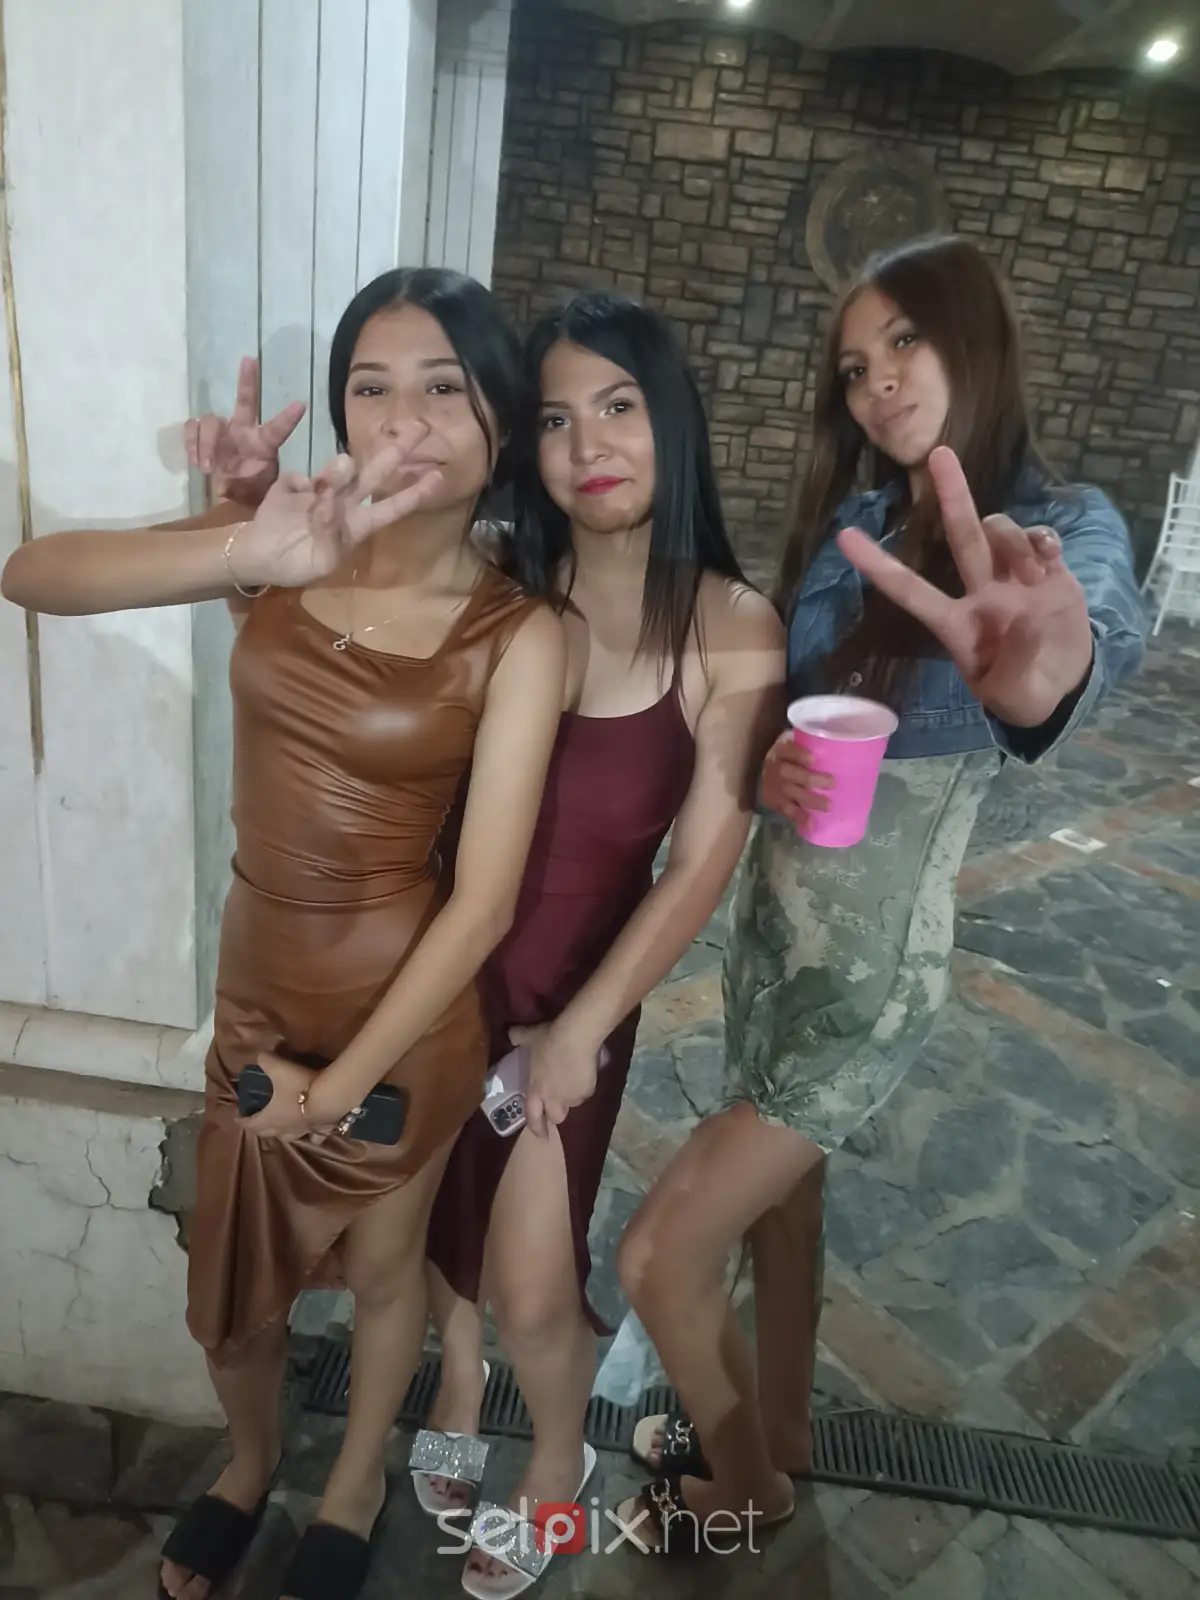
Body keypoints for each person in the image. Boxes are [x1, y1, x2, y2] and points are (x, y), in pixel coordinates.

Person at [1, 267, 566, 1600]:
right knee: (234, 1286)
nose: (404, 418)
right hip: (257, 991)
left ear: (498, 422)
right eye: (372, 387)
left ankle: (355, 1481)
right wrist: (243, 549)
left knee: (383, 1270)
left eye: (444, 387)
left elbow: (482, 902)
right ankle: (250, 1462)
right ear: (341, 414)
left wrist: (344, 1082)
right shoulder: (289, 540)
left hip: (401, 1020)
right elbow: (34, 575)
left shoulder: (521, 633)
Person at [613, 234, 1146, 1553]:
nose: (878, 383)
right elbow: (785, 727)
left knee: (659, 1253)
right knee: (782, 1203)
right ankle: (781, 1431)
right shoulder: (851, 535)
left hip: (867, 982)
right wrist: (769, 764)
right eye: (854, 366)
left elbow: (1081, 643)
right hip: (769, 948)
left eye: (905, 340)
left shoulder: (1058, 530)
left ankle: (744, 1488)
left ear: (974, 339)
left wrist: (1049, 678)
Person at [412, 292, 784, 1596]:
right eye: (558, 419)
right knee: (437, 1220)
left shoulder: (731, 624)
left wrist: (582, 1029)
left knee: (532, 1283)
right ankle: (457, 1383)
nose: (589, 445)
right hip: (438, 972)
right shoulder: (497, 573)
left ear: (669, 418)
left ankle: (558, 1465)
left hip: (571, 999)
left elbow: (700, 866)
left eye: (618, 406)